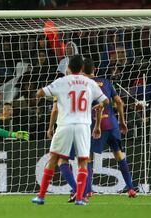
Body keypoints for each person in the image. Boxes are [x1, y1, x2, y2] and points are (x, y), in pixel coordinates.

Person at [48, 58, 136, 203]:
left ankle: (86, 191)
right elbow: (119, 101)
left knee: (85, 158)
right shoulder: (106, 82)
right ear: (94, 69)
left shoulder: (82, 85)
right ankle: (131, 188)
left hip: (91, 125)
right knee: (119, 156)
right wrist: (122, 121)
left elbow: (62, 107)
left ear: (81, 70)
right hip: (111, 124)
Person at [32, 55, 109, 205]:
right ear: (82, 68)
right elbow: (105, 101)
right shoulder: (90, 83)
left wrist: (54, 96)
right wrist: (99, 106)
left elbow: (40, 93)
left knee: (54, 159)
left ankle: (41, 196)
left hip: (65, 125)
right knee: (83, 162)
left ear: (68, 68)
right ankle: (80, 198)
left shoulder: (61, 82)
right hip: (83, 126)